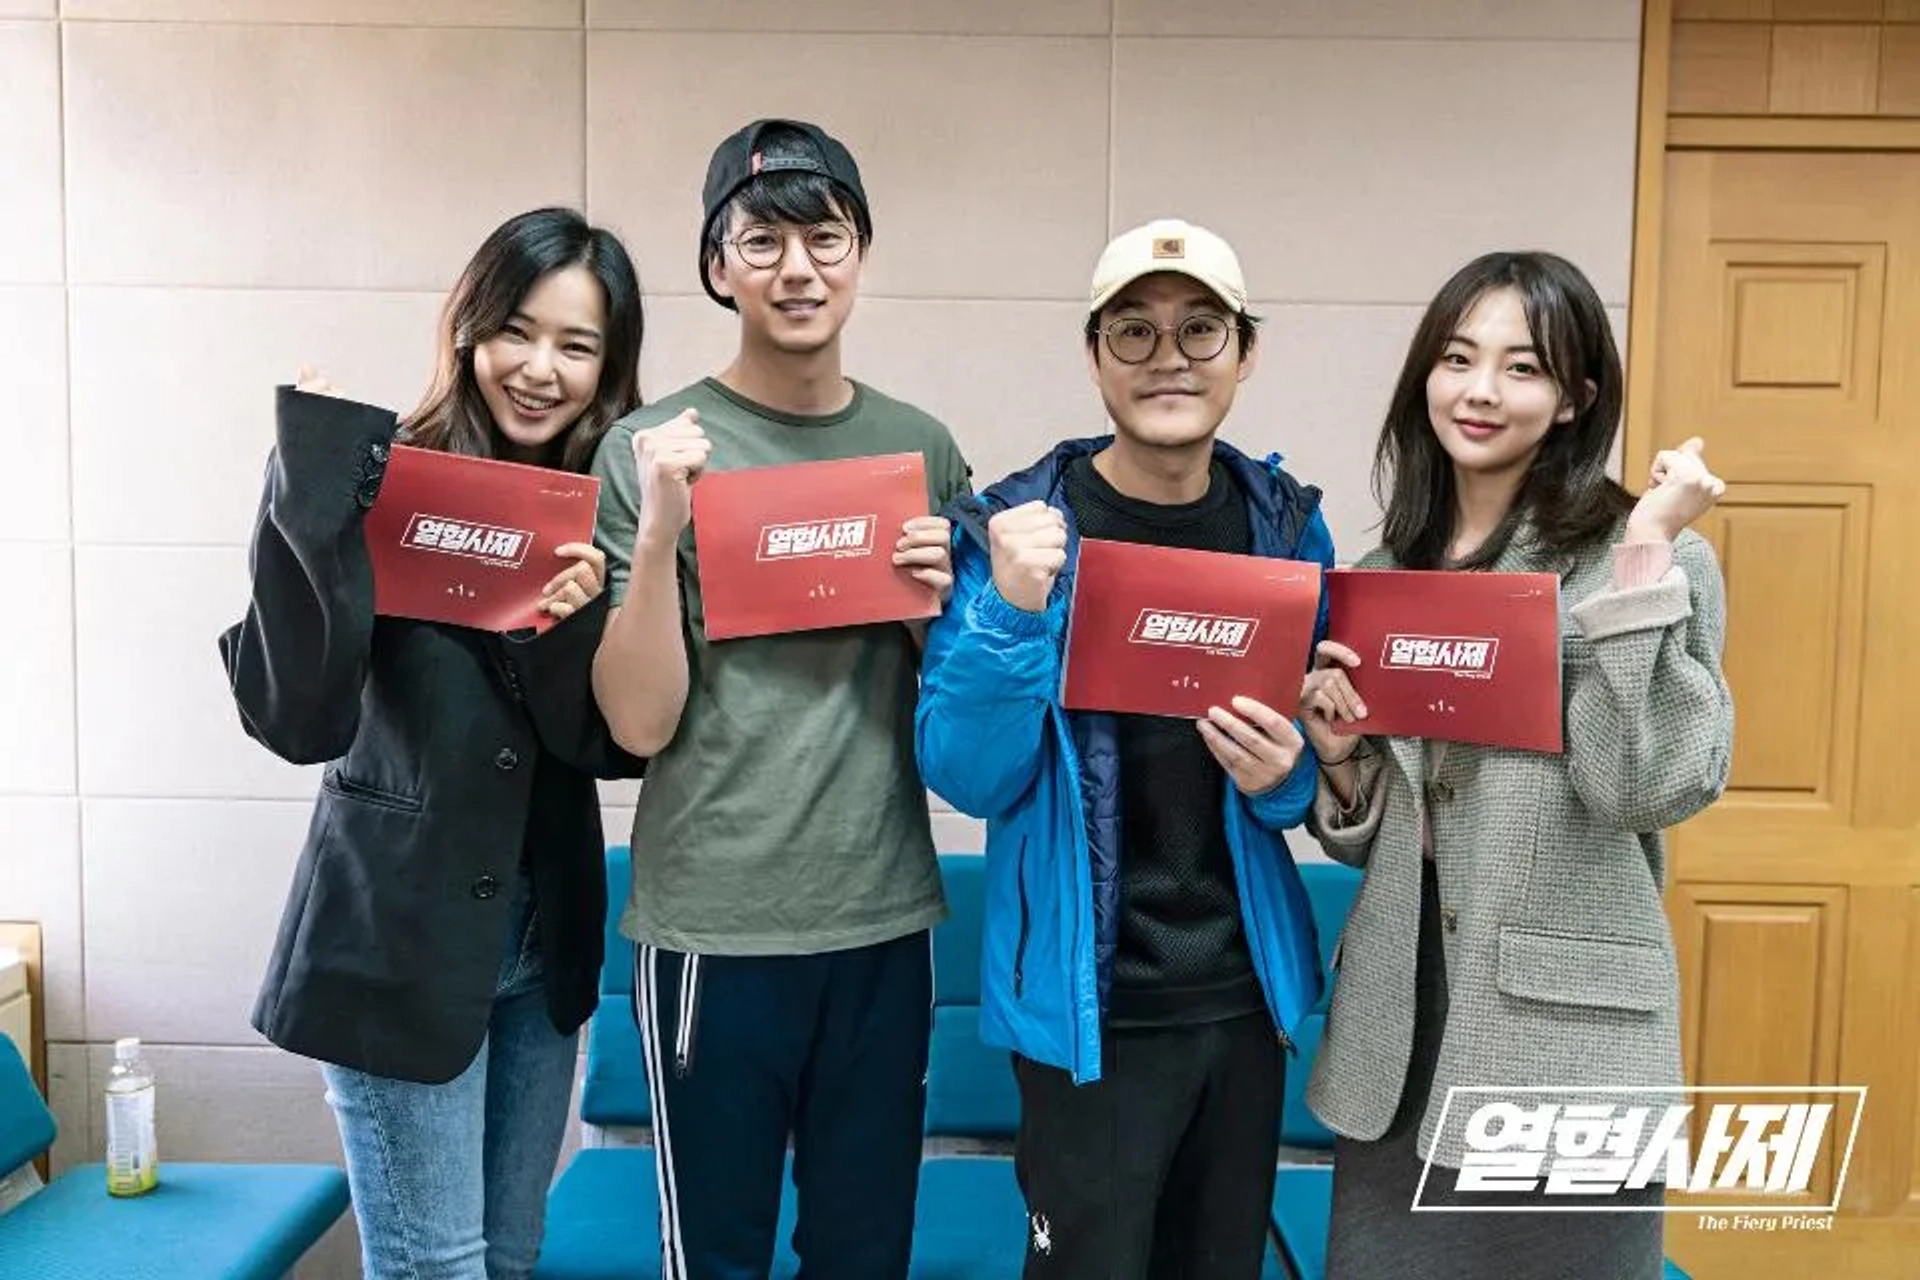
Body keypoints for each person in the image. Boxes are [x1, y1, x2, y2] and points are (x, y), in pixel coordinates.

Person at [219, 207, 648, 1280]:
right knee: (434, 1268)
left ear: (609, 369)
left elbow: (615, 747)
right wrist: (304, 503)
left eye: (578, 344)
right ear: (469, 328)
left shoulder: (604, 510)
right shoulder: (376, 482)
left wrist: (573, 625)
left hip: (543, 946)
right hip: (396, 945)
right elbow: (294, 718)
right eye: (518, 328)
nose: (540, 367)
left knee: (508, 1258)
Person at [1298, 250, 1734, 1279]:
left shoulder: (1655, 562)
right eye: (1459, 357)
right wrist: (1343, 764)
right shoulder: (1384, 573)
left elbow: (1649, 785)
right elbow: (1391, 830)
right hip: (1399, 1032)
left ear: (1578, 397)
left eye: (1522, 365)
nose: (1481, 389)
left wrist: (1638, 565)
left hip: (1565, 1037)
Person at [915, 218, 1337, 1279]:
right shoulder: (1018, 529)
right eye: (1134, 332)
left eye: (1201, 331)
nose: (1169, 360)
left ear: (1246, 352)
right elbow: (967, 771)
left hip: (1239, 1005)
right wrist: (1011, 611)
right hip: (1085, 1016)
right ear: (1093, 353)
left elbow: (1304, 790)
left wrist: (1283, 772)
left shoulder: (1285, 528)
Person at [588, 119, 972, 1280]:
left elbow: (960, 710)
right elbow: (637, 721)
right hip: (715, 921)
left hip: (883, 916)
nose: (797, 267)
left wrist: (932, 610)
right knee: (717, 1257)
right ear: (717, 265)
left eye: (824, 236)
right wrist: (662, 527)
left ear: (860, 254)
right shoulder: (651, 447)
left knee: (864, 1253)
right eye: (762, 240)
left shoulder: (919, 447)